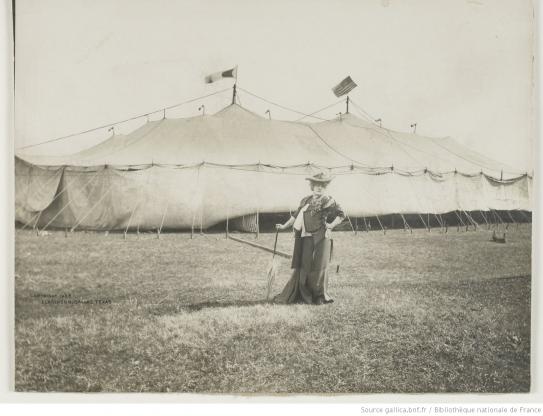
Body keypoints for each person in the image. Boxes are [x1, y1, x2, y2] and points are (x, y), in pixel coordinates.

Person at [274, 172, 345, 305]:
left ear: (326, 187)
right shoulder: (305, 200)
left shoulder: (329, 200)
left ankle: (319, 296)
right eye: (317, 185)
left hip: (322, 236)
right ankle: (304, 294)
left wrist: (330, 225)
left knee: (320, 266)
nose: (319, 188)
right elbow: (295, 216)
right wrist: (284, 226)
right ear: (312, 186)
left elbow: (342, 215)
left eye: (322, 186)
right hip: (305, 236)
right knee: (305, 265)